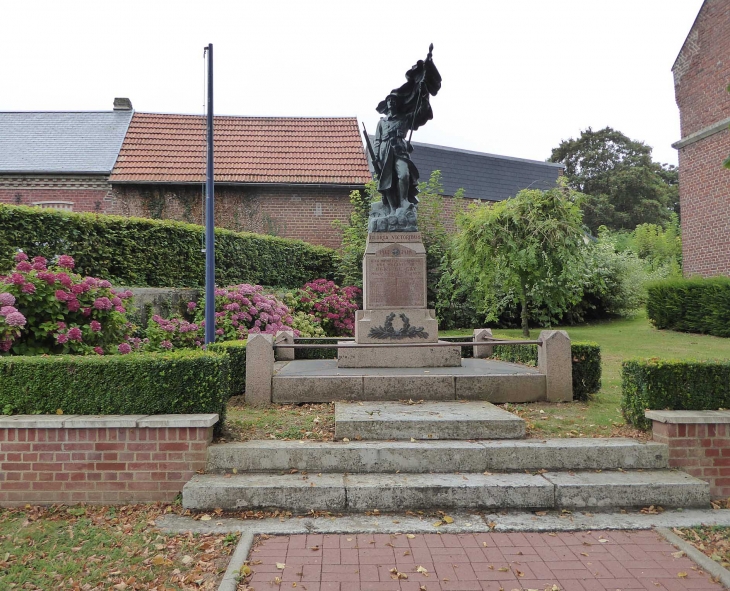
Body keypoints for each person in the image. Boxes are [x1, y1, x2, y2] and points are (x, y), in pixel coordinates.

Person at [373, 94, 420, 214]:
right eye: (388, 100)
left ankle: (403, 200)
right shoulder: (382, 122)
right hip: (385, 150)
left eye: (393, 100)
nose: (391, 102)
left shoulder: (404, 119)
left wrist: (420, 93)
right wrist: (376, 155)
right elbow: (377, 140)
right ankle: (392, 207)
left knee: (404, 174)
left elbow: (419, 113)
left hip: (399, 149)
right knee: (387, 179)